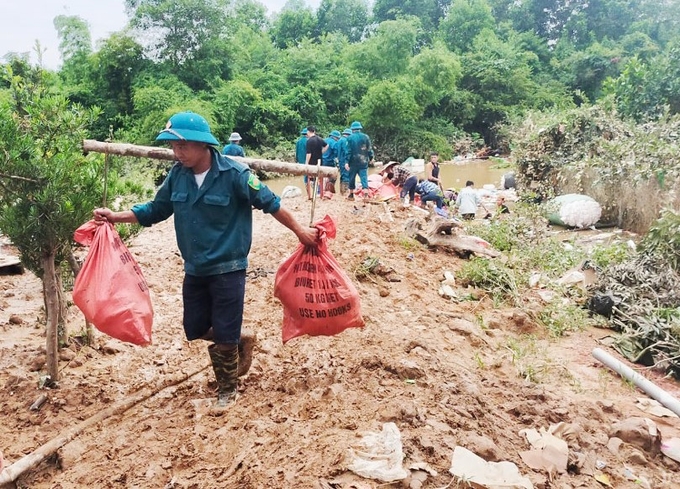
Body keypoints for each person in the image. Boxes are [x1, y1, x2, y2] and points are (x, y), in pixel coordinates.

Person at [93, 112, 318, 409]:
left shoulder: (236, 175)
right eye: (174, 146)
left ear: (202, 145)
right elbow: (154, 210)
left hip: (229, 267)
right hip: (195, 267)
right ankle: (240, 337)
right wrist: (115, 216)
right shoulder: (177, 176)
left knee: (223, 333)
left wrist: (301, 231)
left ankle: (227, 389)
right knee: (195, 328)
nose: (177, 152)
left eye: (183, 146)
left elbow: (271, 203)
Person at [345, 121, 374, 201]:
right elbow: (369, 149)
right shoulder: (366, 137)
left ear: (352, 129)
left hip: (353, 162)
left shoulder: (349, 138)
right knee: (364, 178)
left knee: (352, 178)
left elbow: (348, 151)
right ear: (360, 129)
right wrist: (371, 158)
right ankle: (365, 195)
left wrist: (346, 162)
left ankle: (351, 195)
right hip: (363, 161)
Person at [305, 125, 328, 200]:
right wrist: (322, 152)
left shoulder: (309, 141)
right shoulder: (319, 139)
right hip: (319, 161)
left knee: (311, 179)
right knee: (320, 178)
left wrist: (306, 163)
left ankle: (311, 195)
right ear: (314, 131)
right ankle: (320, 194)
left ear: (308, 132)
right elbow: (327, 145)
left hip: (312, 163)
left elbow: (309, 154)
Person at [320, 130, 341, 197]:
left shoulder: (324, 140)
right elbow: (336, 153)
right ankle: (329, 192)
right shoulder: (334, 143)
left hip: (321, 162)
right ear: (336, 137)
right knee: (332, 178)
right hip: (329, 162)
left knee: (322, 177)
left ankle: (321, 191)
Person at [336, 128, 351, 196]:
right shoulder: (345, 141)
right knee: (346, 176)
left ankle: (341, 192)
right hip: (345, 161)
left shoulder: (339, 140)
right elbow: (346, 152)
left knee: (342, 175)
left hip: (340, 160)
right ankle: (345, 192)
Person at [295, 127, 309, 193]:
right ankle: (308, 189)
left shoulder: (298, 142)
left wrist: (297, 160)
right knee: (308, 174)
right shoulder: (308, 141)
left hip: (301, 160)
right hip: (308, 160)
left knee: (305, 174)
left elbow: (296, 152)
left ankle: (306, 188)